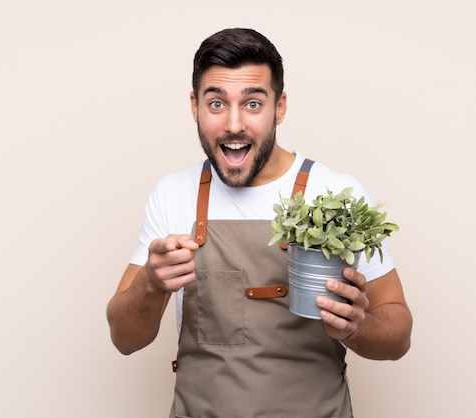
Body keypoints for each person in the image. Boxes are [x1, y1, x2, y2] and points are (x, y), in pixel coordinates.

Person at [106, 27, 412, 418]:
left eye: (253, 104)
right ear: (194, 105)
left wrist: (359, 327)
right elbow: (124, 338)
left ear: (279, 107)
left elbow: (399, 333)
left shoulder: (336, 193)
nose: (234, 125)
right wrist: (150, 283)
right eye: (216, 104)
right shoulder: (173, 195)